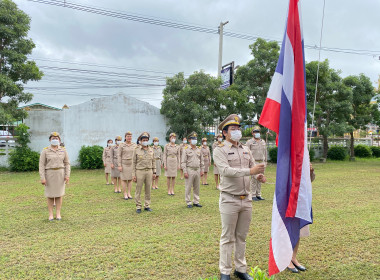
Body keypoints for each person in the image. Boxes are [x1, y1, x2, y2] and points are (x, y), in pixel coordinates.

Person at [213, 114, 266, 280]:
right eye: (232, 129)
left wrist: (258, 176)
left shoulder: (245, 149)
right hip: (229, 199)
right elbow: (226, 171)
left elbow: (252, 167)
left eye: (238, 128)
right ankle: (225, 271)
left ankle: (240, 269)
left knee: (241, 237)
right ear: (225, 133)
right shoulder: (219, 150)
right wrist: (251, 172)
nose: (236, 131)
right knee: (227, 237)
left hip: (246, 199)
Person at [287, 163, 315, 273]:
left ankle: (293, 257)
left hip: (302, 198)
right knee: (289, 230)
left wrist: (311, 171)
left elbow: (310, 180)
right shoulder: (287, 156)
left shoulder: (305, 156)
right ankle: (286, 259)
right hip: (289, 199)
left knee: (299, 229)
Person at [39, 132, 71, 221]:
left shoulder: (63, 150)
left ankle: (58, 213)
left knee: (59, 195)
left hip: (60, 174)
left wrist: (67, 175)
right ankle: (50, 215)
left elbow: (67, 163)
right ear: (50, 140)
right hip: (49, 174)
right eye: (53, 138)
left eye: (57, 138)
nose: (55, 140)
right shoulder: (45, 151)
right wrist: (42, 178)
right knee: (50, 195)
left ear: (59, 140)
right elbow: (41, 165)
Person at [132, 132, 156, 213]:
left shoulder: (151, 150)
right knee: (138, 189)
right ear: (141, 141)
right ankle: (138, 206)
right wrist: (133, 174)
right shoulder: (136, 150)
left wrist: (154, 172)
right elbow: (134, 163)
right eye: (144, 140)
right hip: (140, 171)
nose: (145, 141)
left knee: (148, 189)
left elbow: (153, 161)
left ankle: (147, 205)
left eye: (146, 140)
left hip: (149, 171)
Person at [181, 132, 204, 208]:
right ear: (189, 140)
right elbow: (183, 161)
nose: (195, 140)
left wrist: (202, 170)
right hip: (189, 169)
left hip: (197, 169)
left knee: (197, 187)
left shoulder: (199, 149)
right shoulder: (186, 149)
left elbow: (202, 160)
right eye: (193, 139)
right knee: (188, 186)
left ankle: (196, 201)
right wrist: (185, 171)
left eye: (196, 139)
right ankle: (188, 202)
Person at [245, 125, 267, 201]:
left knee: (260, 178)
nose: (257, 133)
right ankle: (253, 194)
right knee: (254, 179)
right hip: (254, 162)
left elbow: (265, 152)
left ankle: (258, 194)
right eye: (255, 132)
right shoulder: (249, 142)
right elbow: (246, 152)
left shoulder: (263, 141)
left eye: (258, 132)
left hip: (262, 162)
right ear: (252, 133)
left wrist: (265, 162)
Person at [117, 132, 137, 200]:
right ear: (125, 137)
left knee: (130, 179)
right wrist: (119, 165)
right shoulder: (122, 145)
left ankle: (129, 193)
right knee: (124, 179)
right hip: (124, 164)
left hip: (131, 164)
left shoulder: (134, 145)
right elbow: (119, 155)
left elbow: (136, 155)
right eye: (128, 136)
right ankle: (125, 193)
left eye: (130, 136)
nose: (129, 137)